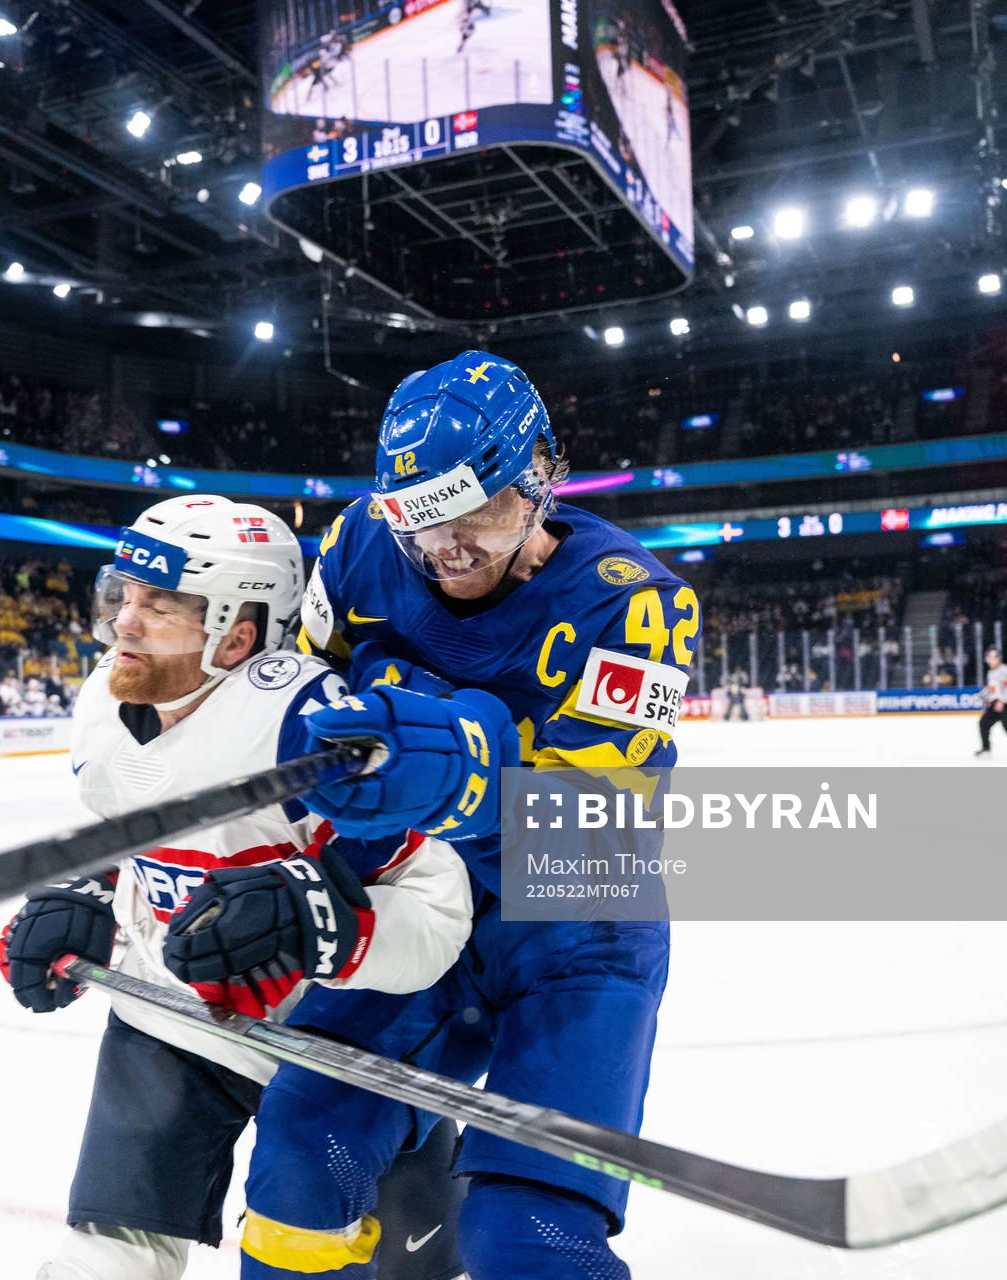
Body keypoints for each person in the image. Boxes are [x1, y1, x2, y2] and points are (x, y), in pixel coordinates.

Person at [211, 352, 696, 1279]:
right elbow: (284, 698)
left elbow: (609, 813)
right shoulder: (356, 545)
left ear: (542, 477)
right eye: (418, 517)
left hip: (575, 926)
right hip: (411, 901)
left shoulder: (641, 606)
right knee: (299, 1157)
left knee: (528, 1236)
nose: (446, 548)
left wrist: (463, 767)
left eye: (476, 511)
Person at [0, 495, 475, 1280]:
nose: (125, 623)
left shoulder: (307, 723)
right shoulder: (103, 705)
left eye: (161, 606)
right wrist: (96, 892)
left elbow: (438, 906)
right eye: (123, 594)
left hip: (333, 1041)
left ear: (238, 633)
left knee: (399, 1265)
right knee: (102, 1259)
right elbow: (151, 850)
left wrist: (323, 923)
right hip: (174, 1020)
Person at [975, 647, 1007, 757]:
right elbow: (991, 688)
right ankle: (986, 749)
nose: (989, 660)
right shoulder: (991, 672)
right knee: (983, 724)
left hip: (1006, 704)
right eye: (988, 658)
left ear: (998, 659)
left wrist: (1002, 701)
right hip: (995, 704)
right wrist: (984, 696)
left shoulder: (1006, 671)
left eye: (992, 658)